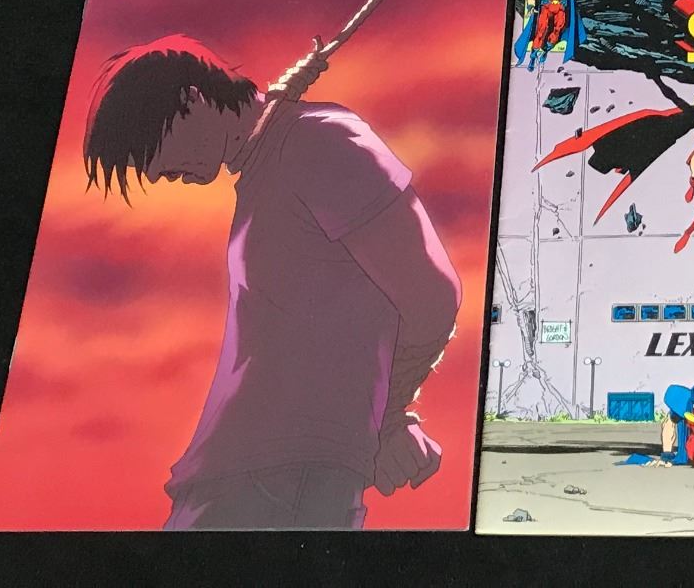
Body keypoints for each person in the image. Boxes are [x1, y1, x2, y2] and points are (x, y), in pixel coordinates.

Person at [82, 37, 461, 529]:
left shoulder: (320, 141)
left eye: (148, 146)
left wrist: (389, 416)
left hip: (279, 477)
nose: (154, 174)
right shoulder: (270, 164)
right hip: (252, 474)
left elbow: (432, 295)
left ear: (192, 100)